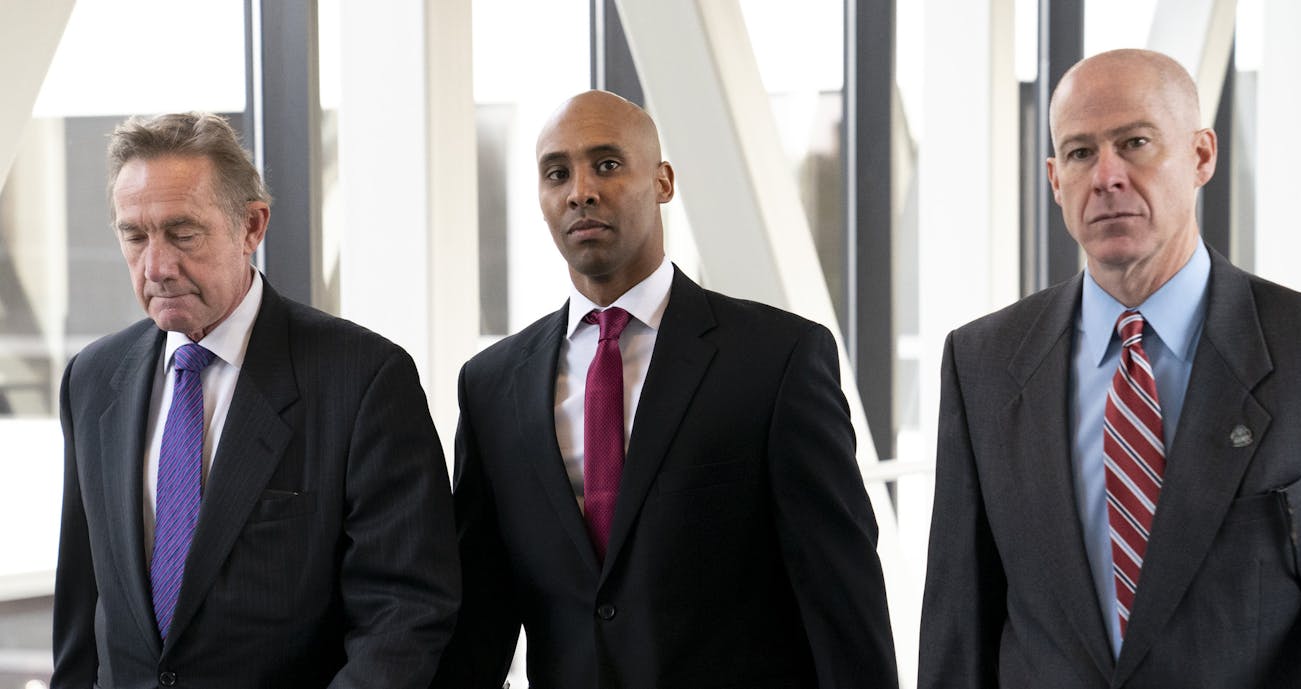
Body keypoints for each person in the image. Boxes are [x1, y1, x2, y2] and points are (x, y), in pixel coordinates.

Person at [918, 49, 1301, 688]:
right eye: (1079, 153)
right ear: (1053, 179)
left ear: (1201, 156)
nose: (1106, 176)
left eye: (1135, 143)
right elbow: (958, 629)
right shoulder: (982, 363)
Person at [433, 90, 897, 688]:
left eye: (606, 164)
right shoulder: (492, 386)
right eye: (557, 173)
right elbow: (482, 616)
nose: (581, 191)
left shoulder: (777, 359)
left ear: (663, 182)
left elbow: (843, 598)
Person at [52, 112, 461, 689]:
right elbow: (80, 605)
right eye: (135, 235)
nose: (157, 267)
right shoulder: (92, 379)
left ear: (252, 226)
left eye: (183, 232)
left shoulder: (364, 379)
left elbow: (404, 611)